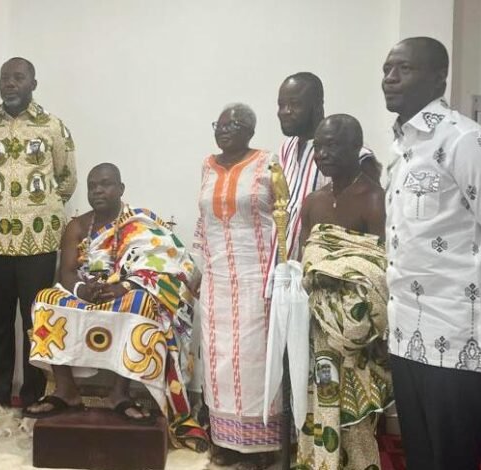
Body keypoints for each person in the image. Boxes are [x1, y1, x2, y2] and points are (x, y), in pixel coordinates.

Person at [383, 37, 481, 470]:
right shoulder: (403, 150)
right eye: (386, 69)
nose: (390, 78)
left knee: (451, 458)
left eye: (403, 69)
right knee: (422, 456)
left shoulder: (469, 141)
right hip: (406, 333)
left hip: (456, 333)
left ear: (438, 77)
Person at [23, 163, 208, 451]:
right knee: (47, 299)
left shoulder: (141, 222)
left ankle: (119, 394)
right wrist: (84, 290)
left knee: (141, 303)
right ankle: (66, 389)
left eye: (106, 184)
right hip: (86, 293)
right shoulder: (77, 226)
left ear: (121, 189)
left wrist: (121, 287)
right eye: (92, 185)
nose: (98, 190)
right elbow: (67, 274)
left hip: (124, 292)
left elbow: (168, 263)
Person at [0, 57, 77, 421]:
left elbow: (66, 178)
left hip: (39, 243)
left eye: (18, 77)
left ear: (33, 83)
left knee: (36, 322)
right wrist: (1, 209)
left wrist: (38, 209)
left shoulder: (52, 126)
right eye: (4, 78)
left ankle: (34, 393)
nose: (9, 83)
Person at [297, 114, 392, 469]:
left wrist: (341, 278)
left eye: (332, 145)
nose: (323, 153)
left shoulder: (374, 199)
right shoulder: (313, 201)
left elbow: (376, 272)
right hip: (318, 329)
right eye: (318, 146)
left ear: (356, 147)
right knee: (316, 411)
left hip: (359, 334)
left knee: (355, 420)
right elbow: (309, 262)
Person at [193, 103, 279, 470]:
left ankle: (262, 444)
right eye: (220, 124)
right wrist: (194, 272)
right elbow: (203, 223)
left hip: (256, 276)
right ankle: (225, 440)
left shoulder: (268, 163)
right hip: (215, 280)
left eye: (235, 124)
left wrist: (282, 274)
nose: (225, 129)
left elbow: (284, 217)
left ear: (251, 130)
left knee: (254, 358)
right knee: (218, 359)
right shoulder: (207, 166)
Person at [276, 72, 381, 262]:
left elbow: (370, 226)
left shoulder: (356, 155)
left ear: (317, 106)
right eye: (281, 105)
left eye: (294, 104)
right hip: (288, 267)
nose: (285, 111)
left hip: (334, 271)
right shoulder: (287, 148)